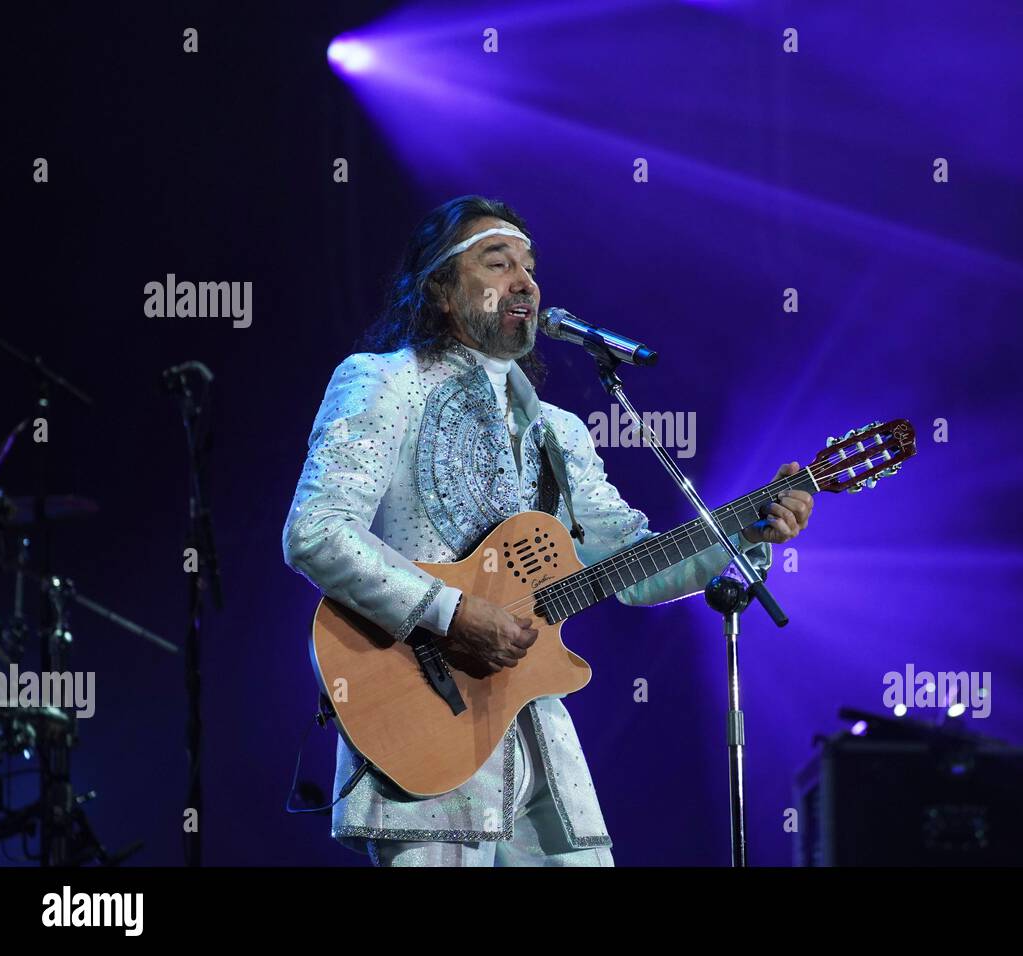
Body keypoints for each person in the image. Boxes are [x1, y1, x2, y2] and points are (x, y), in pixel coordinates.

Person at [281, 195, 813, 866]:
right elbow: (317, 531)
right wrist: (452, 613)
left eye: (530, 266)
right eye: (498, 262)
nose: (526, 281)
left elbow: (633, 566)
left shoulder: (559, 430)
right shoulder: (381, 381)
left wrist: (747, 532)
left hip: (533, 725)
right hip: (423, 720)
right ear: (440, 290)